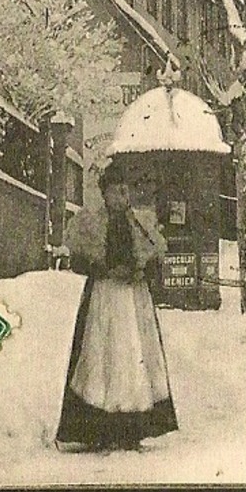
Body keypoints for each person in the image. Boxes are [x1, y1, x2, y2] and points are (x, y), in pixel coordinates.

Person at [55, 176, 178, 452]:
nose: (121, 197)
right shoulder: (91, 223)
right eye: (115, 192)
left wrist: (138, 271)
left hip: (134, 301)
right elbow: (80, 261)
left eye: (125, 191)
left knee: (135, 358)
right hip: (104, 297)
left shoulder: (140, 223)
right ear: (105, 194)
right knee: (100, 358)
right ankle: (99, 428)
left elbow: (153, 259)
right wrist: (104, 270)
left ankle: (134, 427)